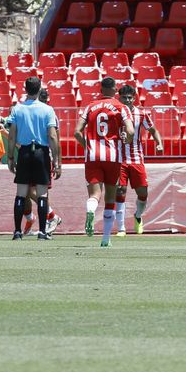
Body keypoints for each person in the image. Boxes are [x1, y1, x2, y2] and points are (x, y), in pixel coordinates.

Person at [78, 76, 133, 247]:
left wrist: (87, 145)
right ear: (115, 90)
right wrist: (126, 139)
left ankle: (90, 209)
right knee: (110, 197)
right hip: (113, 156)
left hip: (93, 155)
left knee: (95, 195)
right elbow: (130, 131)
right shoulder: (121, 107)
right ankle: (105, 239)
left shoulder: (90, 106)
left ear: (100, 90)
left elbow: (77, 132)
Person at [7, 75, 62, 240]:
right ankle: (43, 232)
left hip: (24, 152)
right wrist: (57, 161)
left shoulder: (17, 109)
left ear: (25, 89)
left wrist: (10, 157)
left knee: (21, 193)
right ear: (39, 90)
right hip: (41, 152)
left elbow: (12, 135)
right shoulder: (47, 110)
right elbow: (52, 136)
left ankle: (17, 231)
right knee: (42, 193)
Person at [115, 82, 164, 235]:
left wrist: (159, 143)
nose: (127, 100)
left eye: (130, 98)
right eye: (124, 98)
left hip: (136, 158)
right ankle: (121, 227)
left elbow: (153, 130)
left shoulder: (141, 114)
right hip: (119, 158)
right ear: (119, 98)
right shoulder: (114, 113)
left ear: (134, 98)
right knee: (120, 190)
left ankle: (138, 216)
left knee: (143, 193)